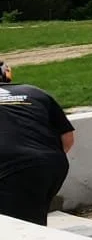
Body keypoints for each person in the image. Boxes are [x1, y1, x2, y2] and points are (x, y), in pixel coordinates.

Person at [0, 58, 74, 226]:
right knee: (32, 222)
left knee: (17, 231)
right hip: (52, 163)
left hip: (9, 167)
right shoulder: (35, 92)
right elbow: (68, 138)